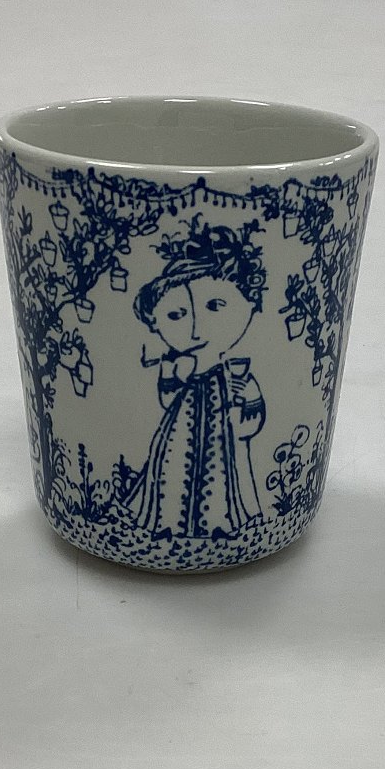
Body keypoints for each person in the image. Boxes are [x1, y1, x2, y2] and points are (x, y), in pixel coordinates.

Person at [126, 218, 266, 539]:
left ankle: (219, 525)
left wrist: (247, 405)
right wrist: (168, 375)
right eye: (176, 315)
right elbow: (167, 401)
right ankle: (168, 523)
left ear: (249, 305)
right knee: (173, 466)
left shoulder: (233, 373)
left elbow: (252, 417)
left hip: (222, 438)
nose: (196, 328)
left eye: (215, 306)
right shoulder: (181, 366)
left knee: (220, 474)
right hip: (179, 436)